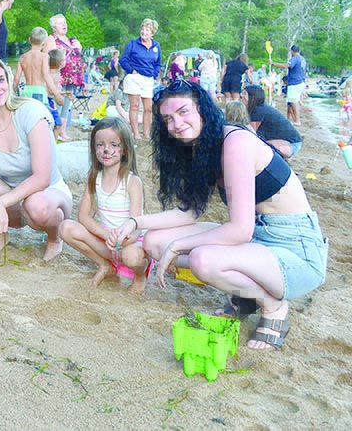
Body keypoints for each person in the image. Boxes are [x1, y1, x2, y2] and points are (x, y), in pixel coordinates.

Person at [109, 80, 328, 350]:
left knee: (202, 260)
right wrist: (136, 223)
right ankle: (247, 296)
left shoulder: (235, 142)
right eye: (168, 119)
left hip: (295, 249)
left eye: (183, 112)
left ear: (202, 110)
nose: (176, 124)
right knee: (154, 241)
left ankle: (273, 306)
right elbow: (190, 211)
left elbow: (240, 231)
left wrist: (178, 246)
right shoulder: (203, 148)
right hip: (257, 239)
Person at [0, 53, 73, 261]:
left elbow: (42, 178)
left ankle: (54, 238)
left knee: (36, 205)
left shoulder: (31, 111)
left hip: (48, 195)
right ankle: (0, 236)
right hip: (12, 195)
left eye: (0, 80)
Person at [59, 117, 148, 292]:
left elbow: (137, 225)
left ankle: (139, 277)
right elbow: (83, 216)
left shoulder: (132, 181)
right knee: (66, 228)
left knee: (131, 257)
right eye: (100, 145)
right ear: (94, 148)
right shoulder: (94, 177)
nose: (106, 150)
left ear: (125, 149)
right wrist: (106, 235)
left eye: (114, 145)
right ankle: (105, 265)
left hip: (129, 242)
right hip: (106, 241)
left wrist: (121, 239)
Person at [44, 14, 86, 141]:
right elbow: (48, 59)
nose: (64, 25)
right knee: (58, 103)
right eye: (60, 23)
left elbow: (76, 56)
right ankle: (54, 131)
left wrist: (79, 48)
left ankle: (62, 131)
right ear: (54, 27)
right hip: (59, 76)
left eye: (65, 23)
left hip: (72, 77)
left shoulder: (70, 40)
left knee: (67, 104)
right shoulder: (52, 40)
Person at [119, 18, 162, 140]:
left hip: (148, 79)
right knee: (135, 106)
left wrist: (155, 73)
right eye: (142, 29)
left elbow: (158, 63)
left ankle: (146, 133)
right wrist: (132, 71)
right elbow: (123, 59)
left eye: (147, 30)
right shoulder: (133, 44)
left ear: (152, 32)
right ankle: (136, 133)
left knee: (148, 107)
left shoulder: (156, 46)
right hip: (134, 77)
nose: (144, 32)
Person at [243, 85, 303, 158]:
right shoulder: (260, 107)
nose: (241, 96)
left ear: (252, 98)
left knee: (255, 146)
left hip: (291, 144)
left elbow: (250, 133)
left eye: (244, 94)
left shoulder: (258, 110)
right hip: (286, 141)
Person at [13, 27, 64, 106]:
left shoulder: (22, 57)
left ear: (29, 40)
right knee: (40, 113)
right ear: (43, 44)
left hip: (26, 91)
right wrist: (57, 94)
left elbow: (16, 78)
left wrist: (13, 92)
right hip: (39, 91)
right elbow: (46, 76)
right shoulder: (44, 57)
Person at [270, 45, 307, 126]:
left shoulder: (294, 59)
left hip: (295, 82)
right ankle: (296, 119)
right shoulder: (303, 59)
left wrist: (273, 63)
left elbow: (286, 66)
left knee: (293, 101)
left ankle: (297, 120)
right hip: (301, 82)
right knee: (295, 101)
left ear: (292, 51)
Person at [47, 49, 70, 142]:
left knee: (57, 125)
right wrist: (59, 94)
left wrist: (63, 93)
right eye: (64, 59)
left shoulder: (56, 72)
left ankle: (53, 144)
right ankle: (52, 144)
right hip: (49, 101)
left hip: (51, 100)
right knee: (56, 124)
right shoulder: (52, 73)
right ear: (61, 62)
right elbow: (50, 91)